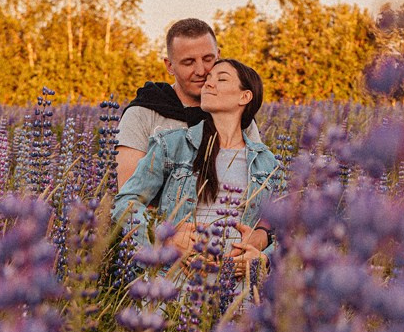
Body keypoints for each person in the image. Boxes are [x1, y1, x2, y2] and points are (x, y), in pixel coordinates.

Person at [113, 59, 279, 277]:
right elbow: (125, 204)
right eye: (208, 79)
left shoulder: (266, 162)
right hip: (173, 287)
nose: (208, 84)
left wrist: (264, 258)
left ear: (245, 96)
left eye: (221, 79)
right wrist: (166, 237)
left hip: (236, 291)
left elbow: (289, 231)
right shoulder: (172, 145)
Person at [116, 17, 260, 188]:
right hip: (159, 215)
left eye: (208, 59)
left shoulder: (236, 111)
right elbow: (130, 197)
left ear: (219, 56)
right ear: (169, 66)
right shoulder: (142, 113)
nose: (201, 71)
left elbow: (257, 184)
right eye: (188, 62)